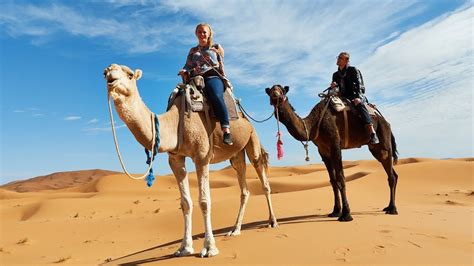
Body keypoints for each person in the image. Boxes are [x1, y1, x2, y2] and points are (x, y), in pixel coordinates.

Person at [178, 23, 233, 145]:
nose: (202, 34)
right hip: (196, 78)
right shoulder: (193, 51)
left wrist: (220, 51)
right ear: (196, 33)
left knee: (215, 95)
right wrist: (184, 70)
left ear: (209, 34)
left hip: (212, 76)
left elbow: (221, 60)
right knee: (178, 95)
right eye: (199, 32)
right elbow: (188, 65)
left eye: (204, 32)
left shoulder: (216, 47)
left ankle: (226, 130)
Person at [330, 52, 379, 144]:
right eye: (338, 57)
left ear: (346, 60)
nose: (338, 59)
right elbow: (335, 90)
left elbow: (360, 86)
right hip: (342, 97)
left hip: (355, 96)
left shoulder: (353, 70)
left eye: (341, 58)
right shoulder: (335, 75)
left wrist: (358, 97)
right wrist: (333, 87)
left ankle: (372, 133)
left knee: (359, 104)